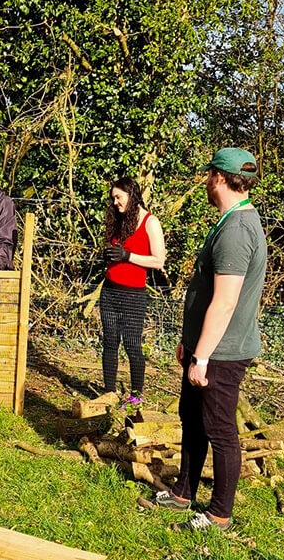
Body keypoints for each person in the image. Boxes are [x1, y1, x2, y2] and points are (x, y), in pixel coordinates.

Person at [154, 147, 267, 532]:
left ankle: (219, 514)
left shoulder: (236, 230)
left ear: (218, 177)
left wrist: (202, 356)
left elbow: (225, 300)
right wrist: (191, 342)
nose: (206, 182)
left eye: (208, 175)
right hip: (205, 346)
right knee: (192, 419)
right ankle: (183, 492)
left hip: (221, 351)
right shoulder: (234, 220)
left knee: (220, 429)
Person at [99, 177, 166, 397]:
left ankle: (136, 396)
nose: (115, 202)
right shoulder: (118, 219)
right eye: (113, 198)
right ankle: (108, 394)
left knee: (132, 345)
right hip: (109, 291)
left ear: (131, 195)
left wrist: (128, 256)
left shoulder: (150, 222)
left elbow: (158, 261)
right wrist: (109, 255)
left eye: (119, 197)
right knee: (110, 342)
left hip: (133, 296)